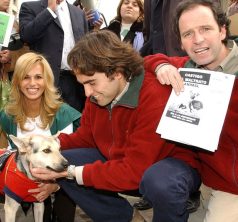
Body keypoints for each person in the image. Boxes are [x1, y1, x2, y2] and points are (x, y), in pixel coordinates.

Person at [29, 30, 201, 222]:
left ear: (117, 72)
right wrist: (49, 144)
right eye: (83, 84)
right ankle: (127, 218)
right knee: (59, 160)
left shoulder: (153, 96)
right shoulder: (99, 95)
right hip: (124, 161)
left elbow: (134, 171)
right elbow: (85, 137)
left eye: (92, 82)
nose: (87, 93)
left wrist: (71, 173)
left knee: (160, 183)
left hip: (167, 167)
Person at [144, 0, 238, 221]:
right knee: (156, 179)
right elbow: (146, 61)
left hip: (231, 186)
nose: (197, 40)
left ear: (223, 30)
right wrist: (161, 65)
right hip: (205, 174)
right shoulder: (187, 67)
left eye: (205, 29)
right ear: (181, 42)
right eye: (188, 34)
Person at [0, 52, 81, 222]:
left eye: (38, 77)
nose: (32, 83)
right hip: (26, 177)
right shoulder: (8, 115)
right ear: (17, 82)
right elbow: (11, 153)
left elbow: (70, 159)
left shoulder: (64, 114)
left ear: (47, 81)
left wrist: (54, 186)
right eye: (26, 77)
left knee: (63, 202)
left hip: (63, 178)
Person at [19, 0, 88, 112]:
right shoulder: (30, 7)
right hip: (44, 80)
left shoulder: (78, 13)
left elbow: (86, 45)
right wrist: (49, 10)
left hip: (74, 81)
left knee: (73, 124)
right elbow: (26, 35)